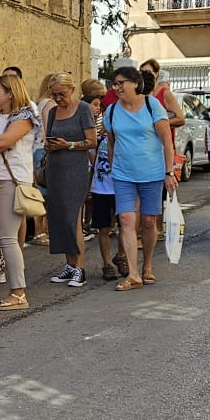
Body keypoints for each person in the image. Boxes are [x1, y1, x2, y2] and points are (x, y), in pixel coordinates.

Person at [100, 67, 173, 290]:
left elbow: (167, 141)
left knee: (149, 222)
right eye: (114, 84)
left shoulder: (152, 106)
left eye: (121, 83)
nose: (117, 87)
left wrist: (169, 172)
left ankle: (147, 265)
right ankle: (133, 274)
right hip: (123, 174)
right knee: (126, 220)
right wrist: (113, 169)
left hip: (152, 173)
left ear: (135, 83)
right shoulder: (112, 111)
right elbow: (111, 143)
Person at [0, 72, 38, 311]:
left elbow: (2, 143)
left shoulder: (24, 117)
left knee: (7, 236)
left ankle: (18, 291)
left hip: (11, 180)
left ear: (10, 93)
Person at [37, 72, 97, 288]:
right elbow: (48, 137)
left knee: (73, 220)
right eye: (54, 95)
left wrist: (68, 145)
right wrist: (50, 146)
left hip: (75, 170)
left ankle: (79, 268)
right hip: (55, 168)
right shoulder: (53, 112)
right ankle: (69, 266)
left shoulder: (83, 110)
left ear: (72, 90)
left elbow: (91, 142)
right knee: (60, 220)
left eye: (61, 94)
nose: (58, 99)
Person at [80, 76, 123, 284]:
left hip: (121, 186)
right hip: (101, 188)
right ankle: (107, 263)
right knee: (103, 228)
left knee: (124, 224)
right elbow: (91, 158)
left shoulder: (123, 137)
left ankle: (122, 255)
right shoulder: (98, 136)